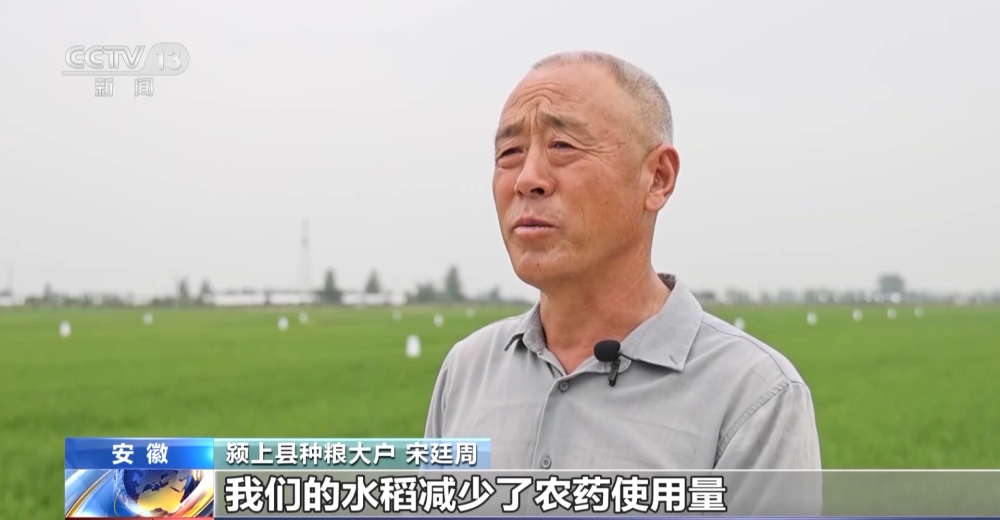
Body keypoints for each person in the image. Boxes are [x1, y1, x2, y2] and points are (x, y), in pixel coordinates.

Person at [424, 51, 821, 474]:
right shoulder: (466, 372)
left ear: (657, 178)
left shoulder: (754, 398)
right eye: (509, 152)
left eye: (562, 146)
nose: (527, 179)